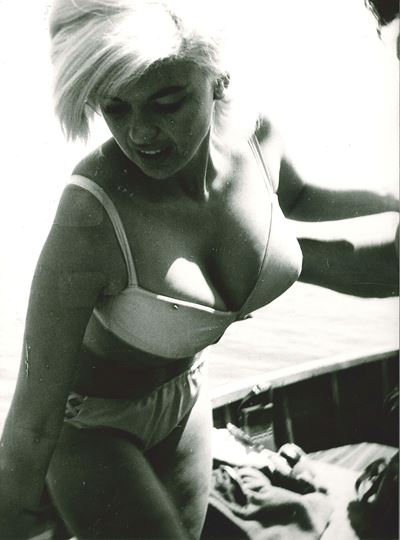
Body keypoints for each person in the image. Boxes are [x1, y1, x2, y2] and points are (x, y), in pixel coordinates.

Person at [0, 1, 397, 538]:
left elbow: (300, 196)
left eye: (168, 102)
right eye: (115, 108)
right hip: (90, 426)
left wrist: (391, 197)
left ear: (217, 78)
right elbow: (32, 420)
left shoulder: (255, 138)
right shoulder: (90, 215)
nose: (141, 133)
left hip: (185, 396)